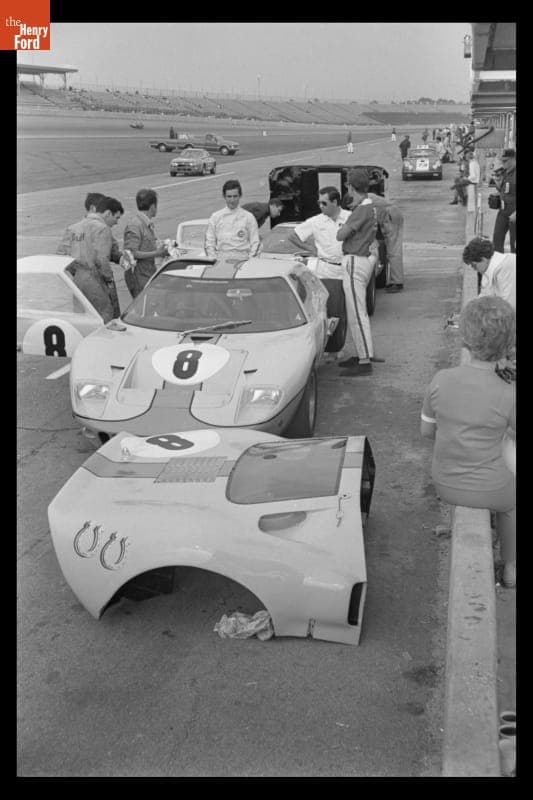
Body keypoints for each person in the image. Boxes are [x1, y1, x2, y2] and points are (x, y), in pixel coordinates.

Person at [421, 296, 516, 587]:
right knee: (512, 506)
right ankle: (511, 567)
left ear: (465, 337)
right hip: (493, 489)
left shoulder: (442, 379)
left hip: (445, 482)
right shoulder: (509, 391)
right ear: (509, 342)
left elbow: (427, 432)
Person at [335, 171, 378, 376]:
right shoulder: (370, 205)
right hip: (364, 258)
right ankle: (365, 352)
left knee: (357, 313)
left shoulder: (362, 209)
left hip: (355, 260)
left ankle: (364, 361)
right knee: (358, 312)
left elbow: (340, 235)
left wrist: (345, 225)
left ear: (351, 187)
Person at [60, 196, 124, 323]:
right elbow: (101, 260)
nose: (116, 223)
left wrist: (77, 272)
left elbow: (61, 256)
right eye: (116, 218)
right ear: (107, 213)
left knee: (82, 319)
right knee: (104, 317)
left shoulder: (73, 228)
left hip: (77, 280)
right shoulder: (102, 228)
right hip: (95, 280)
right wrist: (108, 279)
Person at [122, 188, 168, 297]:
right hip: (139, 276)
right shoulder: (135, 225)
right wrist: (158, 253)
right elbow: (131, 253)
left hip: (147, 274)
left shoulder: (145, 223)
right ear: (153, 206)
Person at [57, 191, 121, 267]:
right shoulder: (102, 229)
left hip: (75, 275)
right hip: (95, 275)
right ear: (93, 208)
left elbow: (61, 256)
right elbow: (105, 257)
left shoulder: (71, 229)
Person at [205, 180, 260, 260]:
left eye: (235, 196)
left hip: (243, 259)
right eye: (229, 196)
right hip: (221, 259)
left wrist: (250, 261)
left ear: (240, 196)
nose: (232, 200)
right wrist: (213, 260)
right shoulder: (216, 217)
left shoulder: (248, 217)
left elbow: (255, 242)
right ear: (224, 196)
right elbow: (209, 242)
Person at [462, 237, 516, 309]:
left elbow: (510, 307)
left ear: (484, 259)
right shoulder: (488, 268)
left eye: (474, 265)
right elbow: (485, 297)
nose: (474, 269)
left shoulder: (507, 266)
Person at [493, 149, 516, 254]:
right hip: (503, 212)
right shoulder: (505, 172)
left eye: (505, 161)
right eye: (502, 161)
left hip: (514, 214)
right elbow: (505, 191)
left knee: (514, 245)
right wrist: (498, 183)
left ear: (513, 159)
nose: (503, 163)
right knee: (497, 241)